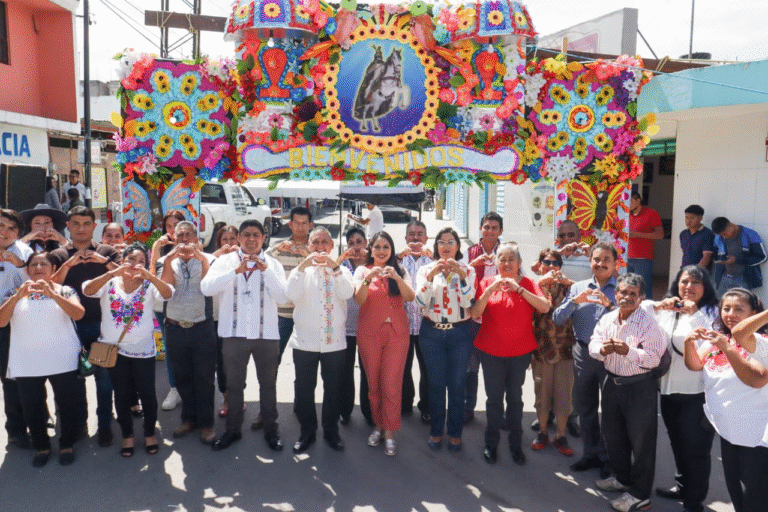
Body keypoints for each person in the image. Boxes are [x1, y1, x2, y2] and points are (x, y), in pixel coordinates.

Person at [201, 220, 287, 452]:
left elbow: (283, 297)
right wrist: (235, 272)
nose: (251, 239)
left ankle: (271, 430)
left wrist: (265, 271)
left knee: (268, 385)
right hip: (234, 334)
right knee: (234, 385)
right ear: (238, 237)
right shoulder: (225, 261)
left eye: (256, 235)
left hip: (266, 335)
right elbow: (206, 288)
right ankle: (233, 429)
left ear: (263, 238)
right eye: (246, 234)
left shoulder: (273, 264)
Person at [83, 244, 173, 457]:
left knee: (147, 393)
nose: (135, 264)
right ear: (122, 260)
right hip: (115, 351)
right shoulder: (110, 282)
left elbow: (168, 294)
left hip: (143, 350)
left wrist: (151, 277)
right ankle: (127, 435)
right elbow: (87, 290)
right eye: (131, 259)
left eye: (141, 261)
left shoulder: (149, 285)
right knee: (121, 394)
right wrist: (112, 273)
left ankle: (149, 433)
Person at [588, 273, 667, 512]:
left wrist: (628, 352)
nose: (627, 297)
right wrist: (602, 350)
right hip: (612, 384)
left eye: (633, 294)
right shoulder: (608, 319)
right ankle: (622, 478)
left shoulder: (649, 324)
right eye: (623, 292)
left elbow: (653, 358)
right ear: (615, 294)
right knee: (613, 436)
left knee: (641, 443)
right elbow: (593, 344)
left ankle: (640, 495)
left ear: (641, 297)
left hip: (639, 387)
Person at [684, 289, 768, 512]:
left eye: (739, 309)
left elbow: (756, 379)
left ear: (754, 314)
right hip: (728, 432)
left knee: (755, 500)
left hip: (755, 437)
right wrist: (688, 343)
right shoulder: (719, 339)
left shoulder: (760, 342)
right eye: (726, 308)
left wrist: (727, 348)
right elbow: (695, 364)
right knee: (737, 496)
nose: (731, 314)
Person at [644, 265, 718, 512]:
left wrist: (694, 314)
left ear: (705, 287)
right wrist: (660, 306)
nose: (689, 287)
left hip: (697, 393)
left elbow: (711, 339)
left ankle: (694, 502)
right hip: (668, 389)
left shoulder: (712, 312)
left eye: (696, 282)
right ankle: (682, 486)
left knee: (696, 449)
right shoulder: (669, 310)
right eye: (684, 281)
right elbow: (643, 316)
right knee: (677, 442)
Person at [0, 251, 85, 467]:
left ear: (53, 269)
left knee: (67, 404)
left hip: (62, 359)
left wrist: (53, 294)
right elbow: (1, 321)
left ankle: (66, 444)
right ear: (27, 270)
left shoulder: (65, 290)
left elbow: (78, 313)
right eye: (34, 264)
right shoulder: (14, 292)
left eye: (44, 264)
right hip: (26, 362)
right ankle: (41, 446)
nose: (38, 268)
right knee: (32, 406)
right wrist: (17, 297)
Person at [470, 243, 550, 466]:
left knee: (515, 399)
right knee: (494, 399)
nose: (506, 264)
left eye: (511, 259)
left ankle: (516, 443)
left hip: (519, 353)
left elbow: (544, 307)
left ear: (519, 263)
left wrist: (519, 289)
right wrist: (489, 290)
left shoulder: (529, 283)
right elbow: (475, 313)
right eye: (502, 259)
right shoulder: (486, 282)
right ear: (496, 263)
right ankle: (491, 442)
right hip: (491, 352)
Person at [49, 206, 121, 448]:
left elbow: (124, 277)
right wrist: (67, 265)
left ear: (94, 226)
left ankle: (104, 425)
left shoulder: (107, 251)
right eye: (76, 223)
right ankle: (78, 424)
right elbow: (50, 285)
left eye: (86, 223)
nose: (81, 228)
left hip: (103, 327)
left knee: (105, 380)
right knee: (73, 380)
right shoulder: (58, 254)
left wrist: (104, 261)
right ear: (68, 226)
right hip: (69, 328)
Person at [286, 227, 354, 453]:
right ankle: (307, 432)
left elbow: (347, 293)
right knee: (304, 390)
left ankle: (331, 431)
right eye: (315, 242)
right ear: (308, 246)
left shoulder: (342, 271)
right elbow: (291, 295)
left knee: (333, 389)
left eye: (324, 242)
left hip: (334, 343)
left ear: (332, 246)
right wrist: (302, 267)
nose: (320, 247)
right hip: (305, 342)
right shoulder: (301, 271)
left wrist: (335, 268)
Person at [553, 242, 618, 478]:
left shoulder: (623, 289)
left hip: (612, 354)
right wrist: (574, 301)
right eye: (596, 259)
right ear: (590, 261)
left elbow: (631, 321)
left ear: (615, 263)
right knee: (585, 407)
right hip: (583, 352)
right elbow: (558, 318)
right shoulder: (578, 288)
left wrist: (609, 304)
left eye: (606, 260)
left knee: (611, 411)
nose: (600, 264)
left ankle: (609, 459)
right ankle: (590, 453)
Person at [354, 231, 415, 456]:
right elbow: (359, 299)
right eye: (377, 247)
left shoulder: (400, 270)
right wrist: (369, 279)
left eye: (386, 247)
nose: (381, 251)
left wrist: (397, 278)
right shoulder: (362, 271)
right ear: (371, 250)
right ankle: (378, 425)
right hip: (370, 333)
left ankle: (390, 431)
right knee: (374, 383)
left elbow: (410, 296)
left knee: (391, 383)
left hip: (396, 334)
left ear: (392, 250)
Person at [415, 227, 476, 452]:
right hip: (432, 334)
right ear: (436, 246)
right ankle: (436, 430)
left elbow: (468, 303)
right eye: (442, 242)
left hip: (459, 333)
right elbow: (420, 302)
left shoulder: (468, 270)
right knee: (436, 385)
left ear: (458, 246)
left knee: (457, 385)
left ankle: (455, 433)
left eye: (451, 242)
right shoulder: (425, 269)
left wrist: (461, 278)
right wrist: (431, 277)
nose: (446, 246)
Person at [159, 220, 217, 445]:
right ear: (173, 238)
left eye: (188, 235)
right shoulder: (165, 260)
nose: (184, 239)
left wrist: (202, 259)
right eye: (180, 235)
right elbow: (166, 292)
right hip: (175, 326)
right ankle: (188, 418)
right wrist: (169, 260)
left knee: (204, 377)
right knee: (182, 376)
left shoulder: (209, 259)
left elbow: (208, 288)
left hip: (201, 326)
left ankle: (207, 423)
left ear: (195, 237)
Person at [530, 249, 576, 457]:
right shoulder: (533, 286)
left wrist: (567, 282)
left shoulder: (570, 287)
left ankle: (561, 435)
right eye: (546, 262)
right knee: (542, 395)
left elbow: (584, 295)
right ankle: (542, 433)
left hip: (565, 350)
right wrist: (541, 283)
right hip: (541, 350)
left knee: (564, 396)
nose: (551, 266)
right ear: (539, 265)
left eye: (555, 263)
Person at [464, 212, 504, 425]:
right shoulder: (468, 252)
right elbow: (457, 278)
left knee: (496, 369)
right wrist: (472, 265)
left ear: (500, 231)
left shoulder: (507, 253)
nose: (490, 231)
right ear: (480, 229)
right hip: (472, 318)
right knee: (470, 367)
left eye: (494, 227)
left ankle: (497, 413)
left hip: (497, 319)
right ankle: (468, 408)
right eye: (486, 227)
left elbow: (520, 277)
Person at [0, 209, 34, 449]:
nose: (5, 232)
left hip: (16, 323)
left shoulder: (25, 252)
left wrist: (20, 265)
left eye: (11, 229)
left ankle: (19, 428)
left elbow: (36, 282)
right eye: (1, 226)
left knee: (14, 378)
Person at [150, 210, 186, 412]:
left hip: (186, 307)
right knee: (170, 349)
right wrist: (156, 247)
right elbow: (151, 275)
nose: (172, 231)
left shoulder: (192, 246)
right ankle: (174, 388)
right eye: (169, 226)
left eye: (176, 226)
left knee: (188, 349)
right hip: (163, 307)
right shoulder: (161, 248)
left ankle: (189, 387)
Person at [397, 220, 433, 424]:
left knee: (427, 369)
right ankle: (405, 403)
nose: (416, 238)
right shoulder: (398, 261)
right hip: (403, 324)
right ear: (405, 239)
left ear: (426, 238)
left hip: (426, 325)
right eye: (411, 234)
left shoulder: (433, 261)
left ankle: (427, 407)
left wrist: (434, 256)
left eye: (420, 234)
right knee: (403, 367)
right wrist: (398, 256)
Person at [267, 206, 312, 366]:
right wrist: (275, 249)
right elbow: (261, 263)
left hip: (307, 313)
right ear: (290, 224)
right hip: (282, 313)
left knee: (305, 363)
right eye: (296, 223)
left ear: (310, 225)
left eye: (304, 223)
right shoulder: (280, 248)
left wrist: (309, 255)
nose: (300, 227)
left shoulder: (316, 247)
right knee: (273, 358)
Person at [336, 226, 371, 425]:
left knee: (368, 371)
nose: (356, 247)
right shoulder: (341, 265)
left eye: (359, 242)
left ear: (366, 243)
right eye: (351, 243)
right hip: (346, 327)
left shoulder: (373, 264)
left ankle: (369, 410)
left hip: (368, 326)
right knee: (344, 371)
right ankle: (345, 410)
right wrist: (340, 259)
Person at [211, 225, 239, 418]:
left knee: (237, 361)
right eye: (224, 240)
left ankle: (239, 396)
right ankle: (227, 398)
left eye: (232, 239)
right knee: (221, 361)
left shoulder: (245, 259)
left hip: (238, 319)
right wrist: (219, 254)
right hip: (217, 318)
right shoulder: (214, 260)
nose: (229, 244)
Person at [711, 217, 766, 295]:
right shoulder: (719, 238)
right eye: (721, 235)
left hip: (744, 280)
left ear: (731, 226)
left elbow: (762, 257)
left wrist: (737, 260)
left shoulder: (750, 234)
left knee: (741, 302)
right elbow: (715, 254)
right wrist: (720, 260)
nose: (724, 237)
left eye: (725, 234)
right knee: (720, 301)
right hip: (723, 278)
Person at [628, 191, 663, 299]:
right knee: (627, 287)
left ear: (638, 200)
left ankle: (647, 308)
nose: (627, 204)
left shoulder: (651, 213)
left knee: (643, 288)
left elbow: (660, 235)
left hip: (643, 258)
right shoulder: (624, 214)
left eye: (630, 201)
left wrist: (638, 234)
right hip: (625, 257)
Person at [680, 205, 714, 271]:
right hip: (685, 270)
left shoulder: (707, 234)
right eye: (687, 218)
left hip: (700, 273)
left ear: (701, 218)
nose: (688, 221)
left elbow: (706, 257)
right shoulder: (683, 234)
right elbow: (685, 253)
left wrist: (694, 272)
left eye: (692, 218)